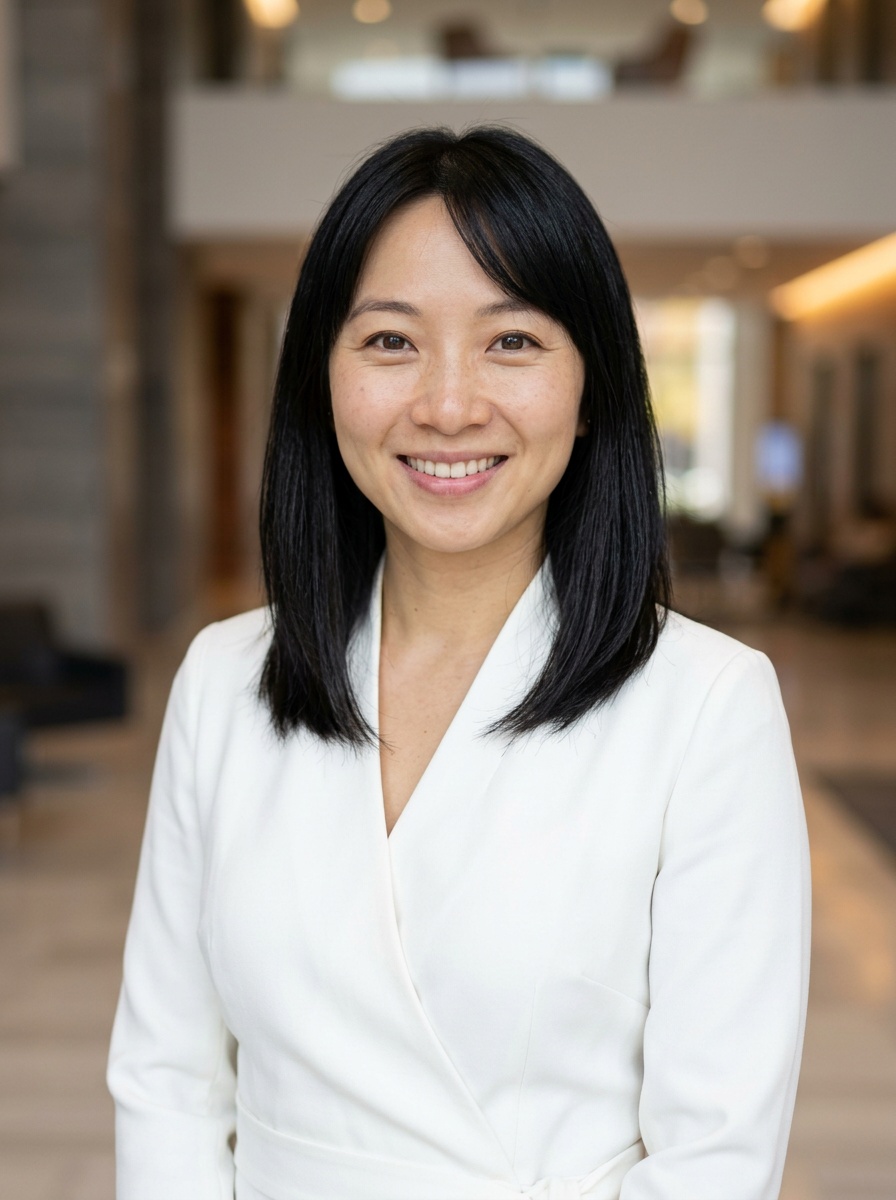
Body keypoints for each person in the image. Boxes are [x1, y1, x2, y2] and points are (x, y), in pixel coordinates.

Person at [107, 126, 810, 1200]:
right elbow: (166, 1080)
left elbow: (713, 1157)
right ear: (320, 378)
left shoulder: (706, 706)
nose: (445, 404)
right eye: (389, 342)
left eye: (511, 342)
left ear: (591, 391)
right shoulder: (221, 680)